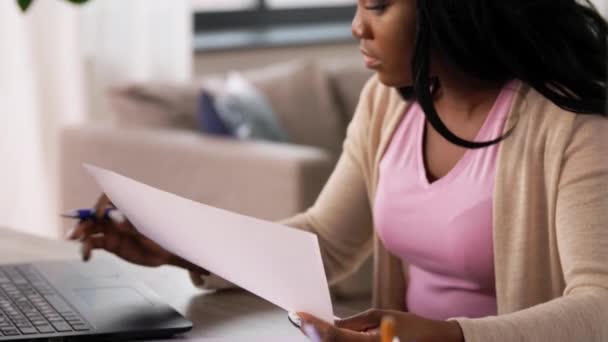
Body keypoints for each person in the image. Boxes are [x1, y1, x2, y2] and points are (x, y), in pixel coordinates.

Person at [68, 0, 608, 341]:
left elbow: (600, 306)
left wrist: (451, 337)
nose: (356, 26)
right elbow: (324, 241)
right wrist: (177, 245)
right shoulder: (389, 102)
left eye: (377, 5)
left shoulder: (570, 124)